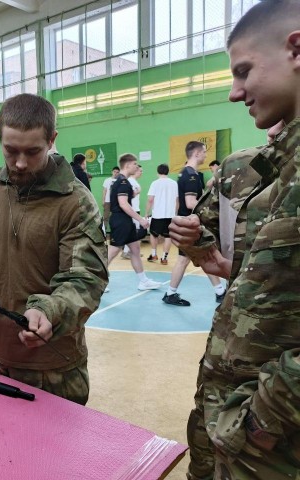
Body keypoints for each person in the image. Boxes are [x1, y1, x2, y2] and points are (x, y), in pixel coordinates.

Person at [171, 2, 300, 476]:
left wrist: (264, 418)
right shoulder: (277, 166)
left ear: (296, 49)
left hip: (272, 439)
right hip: (229, 411)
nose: (233, 92)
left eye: (244, 71)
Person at [0, 93, 108, 405]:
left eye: (33, 151)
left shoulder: (75, 202)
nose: (20, 162)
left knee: (54, 454)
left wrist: (48, 310)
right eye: (11, 150)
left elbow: (85, 278)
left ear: (52, 140)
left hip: (54, 369)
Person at [179, 120, 285, 480]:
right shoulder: (242, 169)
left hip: (273, 400)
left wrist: (270, 409)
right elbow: (206, 233)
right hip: (220, 370)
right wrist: (197, 241)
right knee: (203, 460)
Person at [162, 141, 225, 307]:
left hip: (189, 224)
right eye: (204, 152)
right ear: (196, 153)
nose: (206, 155)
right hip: (189, 224)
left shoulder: (188, 173)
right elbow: (190, 202)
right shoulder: (190, 175)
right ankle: (171, 293)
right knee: (191, 258)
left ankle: (219, 291)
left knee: (203, 255)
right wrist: (210, 208)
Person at [107, 154, 162, 291]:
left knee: (135, 249)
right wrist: (141, 220)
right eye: (135, 164)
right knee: (113, 251)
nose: (137, 167)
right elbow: (123, 204)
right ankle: (94, 281)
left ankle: (143, 281)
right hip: (120, 221)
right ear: (127, 165)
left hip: (125, 220)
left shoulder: (121, 181)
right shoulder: (123, 182)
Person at [145, 164, 178, 265]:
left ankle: (154, 254)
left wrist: (146, 213)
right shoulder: (174, 183)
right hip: (170, 215)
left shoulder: (155, 183)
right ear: (168, 171)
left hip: (157, 215)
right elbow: (177, 200)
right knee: (168, 237)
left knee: (153, 234)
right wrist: (175, 213)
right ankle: (164, 258)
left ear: (158, 172)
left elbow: (150, 200)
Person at [121, 164, 143, 259]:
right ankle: (126, 252)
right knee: (132, 231)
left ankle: (131, 251)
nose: (141, 173)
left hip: (135, 208)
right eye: (140, 171)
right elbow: (129, 195)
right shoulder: (130, 181)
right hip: (132, 209)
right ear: (136, 170)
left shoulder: (134, 181)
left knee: (134, 231)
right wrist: (137, 191)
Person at [102, 166, 120, 235]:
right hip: (107, 201)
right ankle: (103, 232)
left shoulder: (119, 181)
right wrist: (103, 200)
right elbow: (104, 191)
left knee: (116, 217)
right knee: (106, 217)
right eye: (114, 172)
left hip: (116, 202)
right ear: (112, 172)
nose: (115, 173)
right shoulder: (107, 180)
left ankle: (116, 232)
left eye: (117, 172)